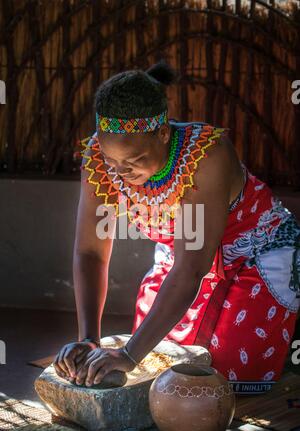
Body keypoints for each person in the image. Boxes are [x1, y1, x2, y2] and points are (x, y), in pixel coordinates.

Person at [54, 60, 300, 393]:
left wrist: (128, 354)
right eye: (114, 162)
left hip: (255, 252)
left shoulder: (205, 157)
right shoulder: (99, 160)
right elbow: (90, 252)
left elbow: (190, 270)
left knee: (215, 382)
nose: (121, 172)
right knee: (161, 372)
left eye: (135, 160)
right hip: (182, 257)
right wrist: (88, 339)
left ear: (163, 132)